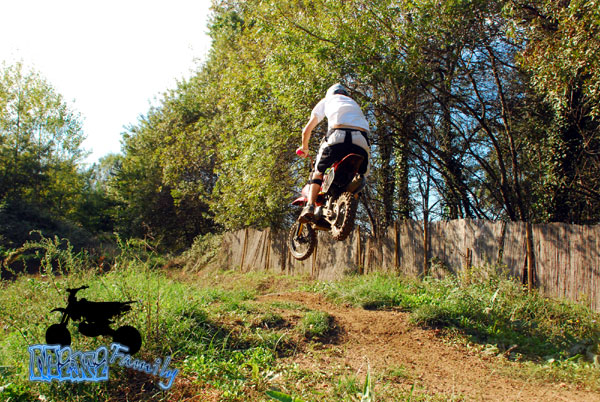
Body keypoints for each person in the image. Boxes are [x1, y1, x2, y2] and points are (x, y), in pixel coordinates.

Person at [296, 83, 371, 222]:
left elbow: (306, 131)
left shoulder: (327, 100)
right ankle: (351, 204)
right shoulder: (353, 103)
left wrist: (304, 148)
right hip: (361, 140)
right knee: (361, 176)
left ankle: (310, 206)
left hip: (337, 136)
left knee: (318, 171)